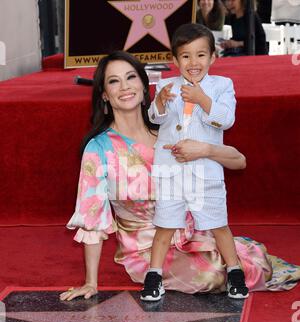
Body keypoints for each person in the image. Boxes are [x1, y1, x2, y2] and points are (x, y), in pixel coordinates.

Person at [60, 50, 300, 302]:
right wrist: (91, 282)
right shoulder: (99, 148)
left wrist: (206, 149)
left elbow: (240, 161)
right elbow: (92, 217)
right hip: (146, 249)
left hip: (194, 232)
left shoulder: (171, 130)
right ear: (105, 95)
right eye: (113, 81)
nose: (124, 87)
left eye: (131, 77)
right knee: (213, 276)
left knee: (242, 264)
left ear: (144, 87)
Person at [141, 23, 248, 302]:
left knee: (218, 223)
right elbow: (155, 118)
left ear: (213, 57)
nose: (193, 62)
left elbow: (226, 119)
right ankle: (154, 275)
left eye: (201, 55)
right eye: (185, 56)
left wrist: (203, 100)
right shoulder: (165, 85)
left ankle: (234, 270)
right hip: (171, 170)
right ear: (175, 61)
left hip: (205, 171)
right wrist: (161, 104)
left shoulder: (222, 86)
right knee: (165, 224)